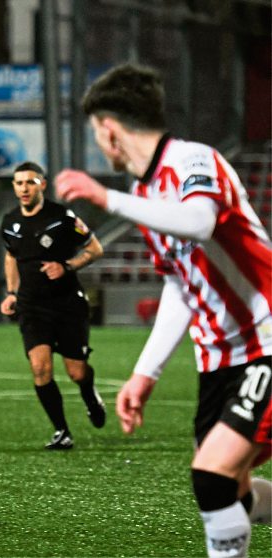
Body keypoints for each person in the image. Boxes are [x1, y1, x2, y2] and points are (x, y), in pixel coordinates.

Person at [55, 63, 272, 557]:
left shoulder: (194, 160)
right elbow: (181, 283)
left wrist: (105, 197)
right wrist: (145, 373)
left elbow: (198, 221)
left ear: (109, 129)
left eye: (96, 134)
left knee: (212, 476)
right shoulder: (144, 195)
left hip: (266, 340)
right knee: (231, 490)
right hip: (220, 359)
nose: (100, 145)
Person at [0, 161, 106, 450]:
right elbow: (11, 257)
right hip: (32, 306)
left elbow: (95, 249)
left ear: (42, 185)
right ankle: (62, 430)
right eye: (19, 183)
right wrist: (11, 293)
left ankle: (89, 395)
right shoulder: (9, 221)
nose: (24, 188)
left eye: (30, 182)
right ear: (14, 187)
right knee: (40, 368)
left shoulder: (62, 217)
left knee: (77, 372)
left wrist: (67, 266)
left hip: (67, 304)